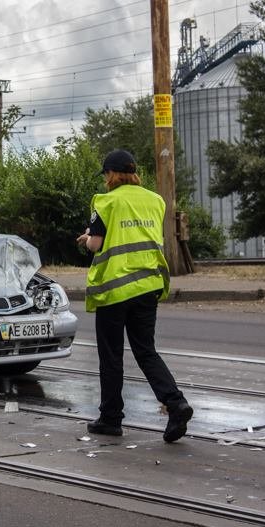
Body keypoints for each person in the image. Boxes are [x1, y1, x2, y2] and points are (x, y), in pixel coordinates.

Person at [76, 149, 193, 443]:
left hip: (116, 288)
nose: (105, 180)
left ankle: (111, 418)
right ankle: (176, 403)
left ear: (112, 175)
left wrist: (86, 238)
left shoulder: (106, 201)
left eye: (106, 174)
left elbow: (97, 244)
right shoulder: (155, 200)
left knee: (111, 355)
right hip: (147, 284)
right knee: (146, 351)